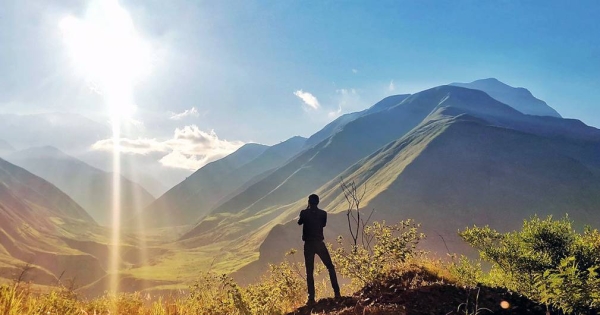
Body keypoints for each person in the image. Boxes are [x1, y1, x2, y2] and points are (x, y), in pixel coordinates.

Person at [297, 194, 341, 305]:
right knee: (330, 267)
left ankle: (311, 298)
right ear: (318, 202)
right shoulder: (323, 214)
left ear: (309, 202)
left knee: (309, 271)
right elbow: (323, 224)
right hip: (319, 244)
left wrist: (307, 210)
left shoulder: (304, 213)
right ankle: (337, 293)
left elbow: (299, 222)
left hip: (308, 245)